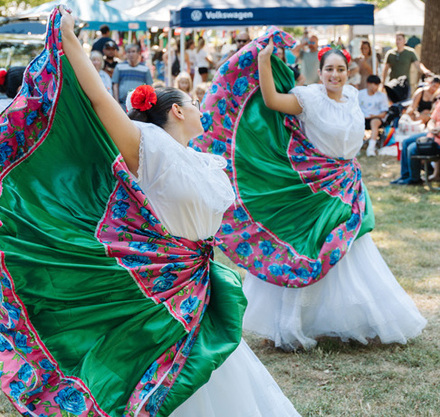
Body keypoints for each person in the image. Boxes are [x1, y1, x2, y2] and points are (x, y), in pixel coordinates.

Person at [0, 7, 301, 417]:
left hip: (196, 277)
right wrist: (69, 39)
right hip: (167, 279)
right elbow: (98, 99)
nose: (200, 107)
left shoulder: (203, 160)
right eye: (193, 101)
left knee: (214, 372)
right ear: (176, 110)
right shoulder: (147, 146)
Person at [194, 29, 426, 352]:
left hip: (347, 184)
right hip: (314, 187)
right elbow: (272, 99)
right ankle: (290, 325)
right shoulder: (309, 98)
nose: (335, 75)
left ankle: (354, 319)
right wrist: (263, 60)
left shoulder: (354, 97)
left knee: (351, 251)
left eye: (340, 69)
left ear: (348, 72)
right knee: (306, 249)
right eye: (329, 69)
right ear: (321, 72)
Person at [391, 98, 440, 185]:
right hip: (432, 134)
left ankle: (414, 179)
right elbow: (432, 120)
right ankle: (405, 176)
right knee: (406, 142)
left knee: (412, 148)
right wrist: (432, 128)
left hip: (437, 141)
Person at [382, 32, 430, 96]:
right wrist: (382, 83)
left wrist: (425, 71)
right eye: (396, 39)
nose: (398, 41)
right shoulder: (390, 53)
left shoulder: (410, 52)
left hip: (405, 85)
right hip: (392, 84)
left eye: (399, 39)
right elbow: (385, 69)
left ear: (404, 40)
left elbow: (418, 65)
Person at [112, 43, 153, 109]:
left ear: (138, 53)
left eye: (133, 51)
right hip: (122, 104)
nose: (131, 54)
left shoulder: (145, 69)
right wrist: (117, 102)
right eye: (128, 52)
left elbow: (149, 87)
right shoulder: (119, 67)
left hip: (139, 105)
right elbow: (115, 85)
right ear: (126, 54)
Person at [358, 75, 389, 156]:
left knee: (374, 123)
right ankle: (356, 147)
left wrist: (373, 116)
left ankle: (371, 148)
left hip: (376, 118)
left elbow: (383, 113)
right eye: (374, 84)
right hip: (362, 118)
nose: (376, 87)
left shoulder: (382, 96)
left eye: (377, 85)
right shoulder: (360, 94)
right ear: (368, 84)